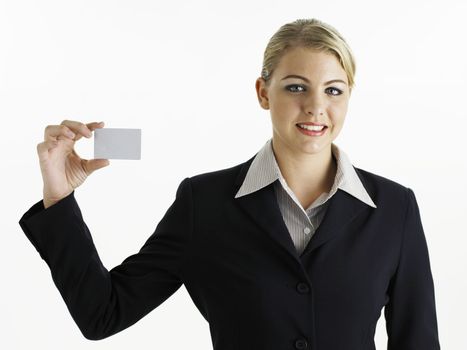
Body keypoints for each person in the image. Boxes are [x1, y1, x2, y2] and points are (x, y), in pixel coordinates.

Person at [19, 18, 441, 349]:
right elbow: (103, 314)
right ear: (263, 92)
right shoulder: (204, 204)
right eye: (296, 87)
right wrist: (59, 195)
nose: (316, 107)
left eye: (334, 90)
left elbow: (418, 343)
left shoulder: (394, 208)